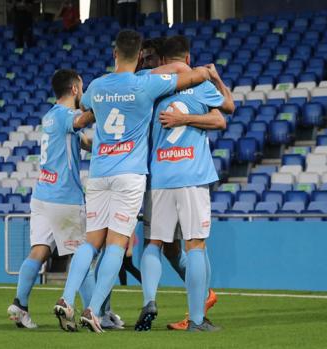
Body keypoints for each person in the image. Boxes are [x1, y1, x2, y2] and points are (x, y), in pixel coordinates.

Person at [54, 29, 213, 333]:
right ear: (140, 55)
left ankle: (65, 298)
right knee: (116, 244)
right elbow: (187, 75)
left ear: (114, 53)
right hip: (129, 174)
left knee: (91, 242)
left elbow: (84, 108)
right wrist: (197, 71)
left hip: (99, 172)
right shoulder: (146, 83)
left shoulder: (98, 86)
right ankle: (93, 310)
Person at [134, 35, 235, 332]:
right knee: (195, 245)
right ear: (189, 58)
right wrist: (212, 79)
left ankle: (149, 301)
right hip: (192, 176)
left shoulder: (150, 86)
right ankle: (197, 319)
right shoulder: (200, 85)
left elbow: (130, 77)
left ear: (161, 60)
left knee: (154, 243)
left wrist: (182, 119)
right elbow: (226, 112)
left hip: (160, 176)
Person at [6, 69, 96, 329]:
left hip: (42, 194)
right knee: (80, 255)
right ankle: (93, 314)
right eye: (83, 87)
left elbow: (83, 141)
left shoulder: (50, 117)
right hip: (63, 197)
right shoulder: (68, 116)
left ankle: (20, 305)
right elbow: (80, 122)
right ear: (75, 90)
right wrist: (104, 103)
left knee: (39, 250)